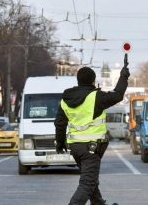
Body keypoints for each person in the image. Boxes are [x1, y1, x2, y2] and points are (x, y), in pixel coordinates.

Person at [54, 64, 130, 205]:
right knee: (87, 183)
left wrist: (59, 143)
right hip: (91, 148)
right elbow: (118, 95)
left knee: (90, 179)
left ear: (77, 81)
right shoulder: (96, 97)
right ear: (93, 81)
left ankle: (99, 203)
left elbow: (59, 124)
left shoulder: (65, 100)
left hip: (74, 147)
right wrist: (123, 76)